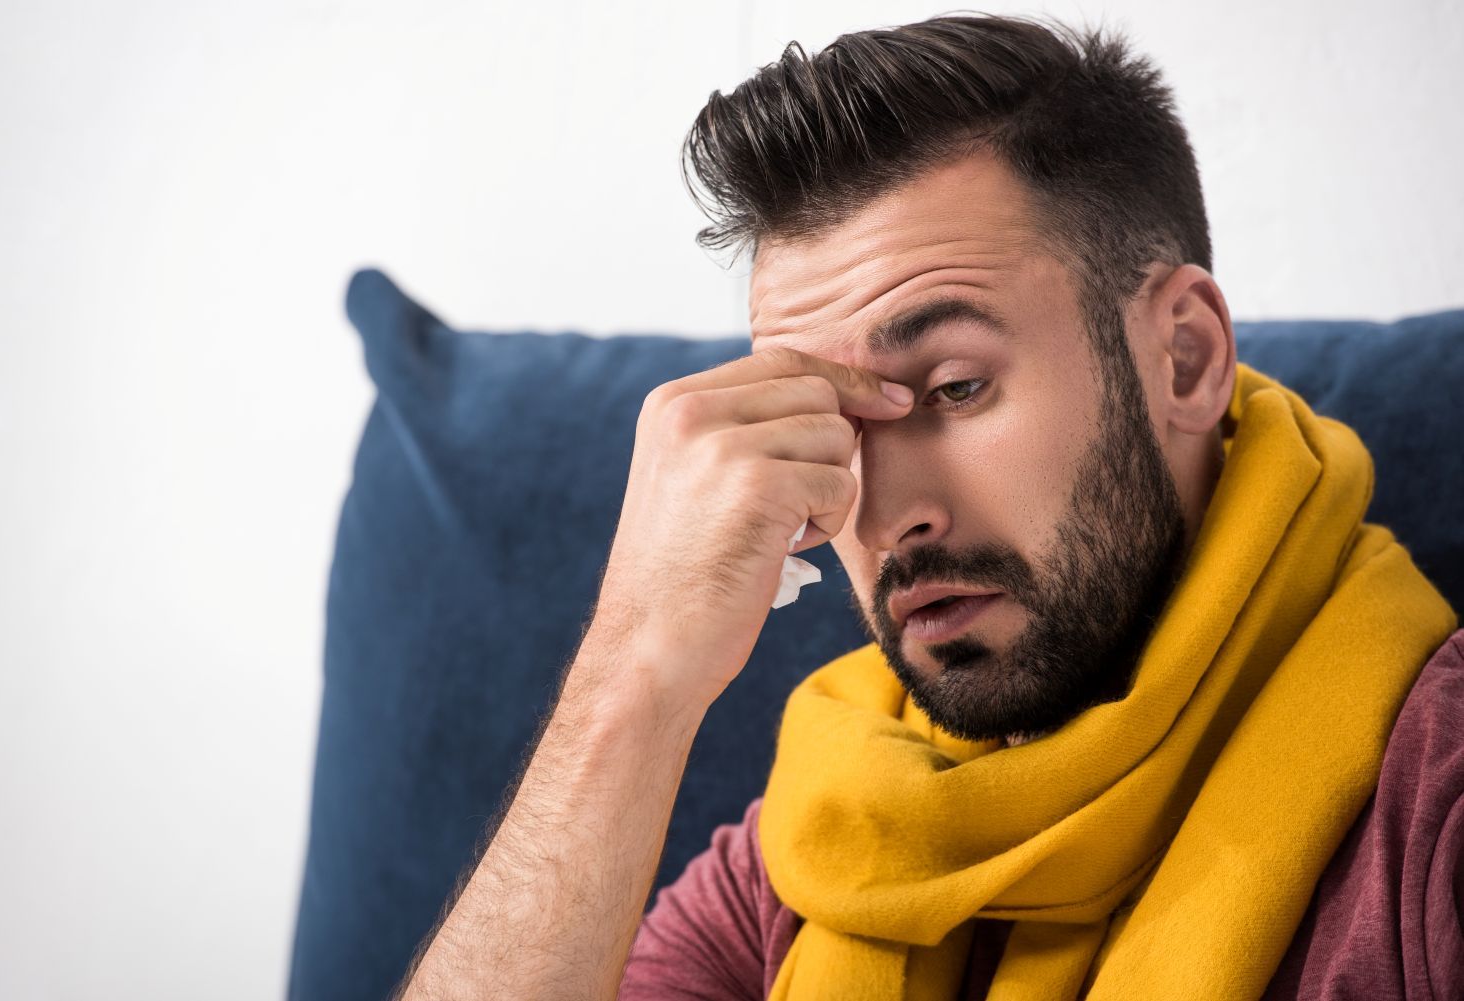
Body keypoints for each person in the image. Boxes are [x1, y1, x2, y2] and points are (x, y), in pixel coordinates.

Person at [396, 15, 1461, 1001]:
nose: (882, 517)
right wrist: (634, 671)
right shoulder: (815, 848)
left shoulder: (1430, 798)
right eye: (829, 426)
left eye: (954, 388)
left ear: (1183, 357)